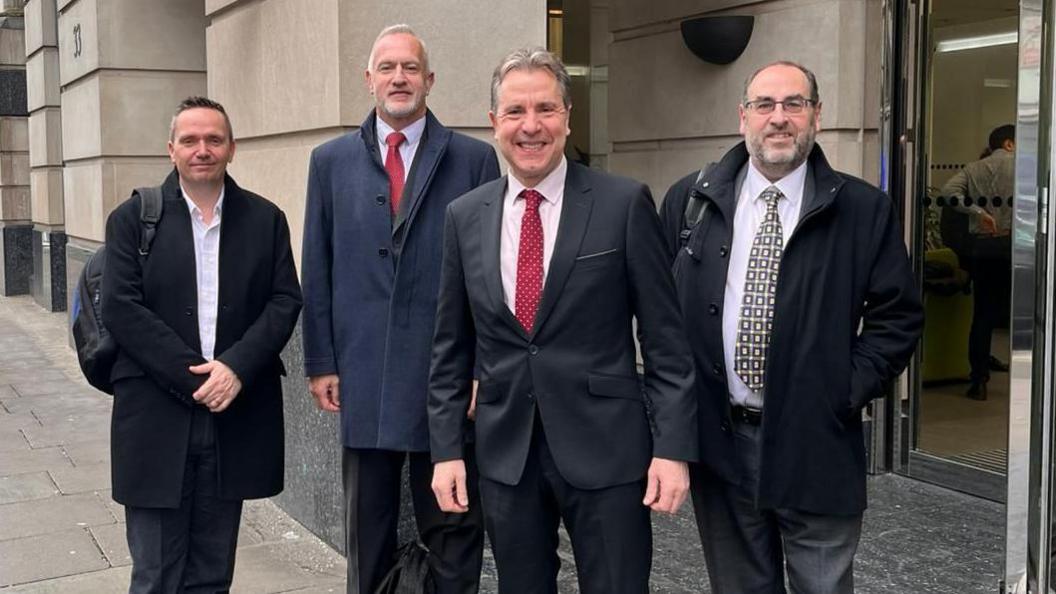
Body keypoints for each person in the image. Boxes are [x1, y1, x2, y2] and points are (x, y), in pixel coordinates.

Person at [429, 47, 698, 594]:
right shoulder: (465, 216)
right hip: (507, 455)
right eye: (515, 112)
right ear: (494, 123)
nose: (531, 126)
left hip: (608, 449)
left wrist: (672, 449)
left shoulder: (623, 203)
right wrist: (447, 451)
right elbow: (449, 349)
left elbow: (666, 341)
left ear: (568, 117)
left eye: (546, 109)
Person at [659, 61, 923, 593]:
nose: (778, 118)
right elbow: (662, 316)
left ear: (816, 116)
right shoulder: (692, 200)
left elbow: (898, 317)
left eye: (794, 104)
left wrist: (840, 392)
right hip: (722, 446)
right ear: (743, 117)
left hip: (817, 444)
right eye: (765, 105)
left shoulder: (862, 209)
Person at [300, 24, 501, 594]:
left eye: (410, 68)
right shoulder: (329, 162)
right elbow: (317, 266)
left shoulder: (474, 160)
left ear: (430, 80)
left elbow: (489, 280)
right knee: (367, 528)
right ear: (368, 79)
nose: (398, 78)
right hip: (361, 372)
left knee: (453, 523)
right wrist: (321, 361)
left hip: (447, 376)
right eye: (387, 68)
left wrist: (482, 368)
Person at [102, 96, 302, 593]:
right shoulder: (131, 220)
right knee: (156, 575)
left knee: (213, 573)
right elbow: (121, 309)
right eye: (190, 140)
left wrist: (234, 368)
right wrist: (196, 375)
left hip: (233, 417)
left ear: (232, 148)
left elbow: (283, 301)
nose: (202, 149)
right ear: (171, 149)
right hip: (155, 418)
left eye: (214, 139)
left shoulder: (265, 219)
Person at [939, 124, 1015, 399]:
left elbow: (948, 193)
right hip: (1017, 247)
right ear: (1009, 144)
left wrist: (977, 211)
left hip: (985, 248)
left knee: (982, 315)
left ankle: (979, 380)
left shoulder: (973, 168)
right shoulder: (1024, 167)